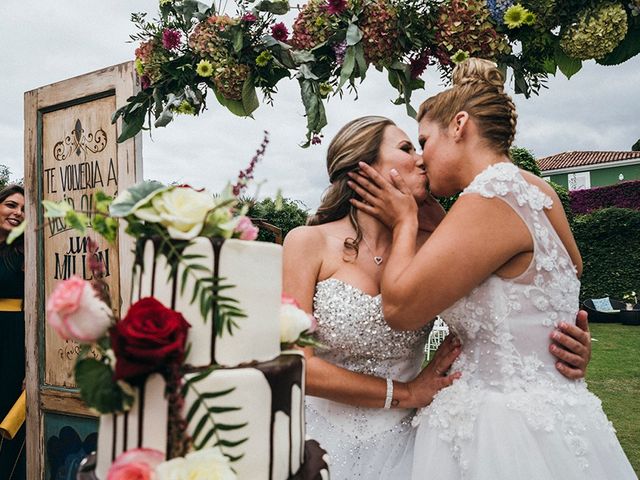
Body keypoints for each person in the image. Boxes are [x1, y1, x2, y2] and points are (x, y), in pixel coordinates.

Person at [348, 59, 635, 479]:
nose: (422, 158)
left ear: (460, 125)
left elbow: (400, 309)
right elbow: (570, 270)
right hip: (559, 408)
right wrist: (545, 338)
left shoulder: (488, 196)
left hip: (499, 425)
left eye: (424, 140)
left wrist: (405, 221)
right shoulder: (535, 188)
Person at [283, 116, 593, 479]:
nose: (421, 158)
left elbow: (505, 311)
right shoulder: (307, 243)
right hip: (317, 442)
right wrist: (405, 392)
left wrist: (558, 345)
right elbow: (294, 363)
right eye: (406, 148)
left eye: (419, 146)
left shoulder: (435, 247)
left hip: (411, 449)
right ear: (362, 167)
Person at [0, 184, 26, 480]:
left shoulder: (24, 253)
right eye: (10, 205)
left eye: (22, 209)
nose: (17, 213)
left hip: (12, 342)